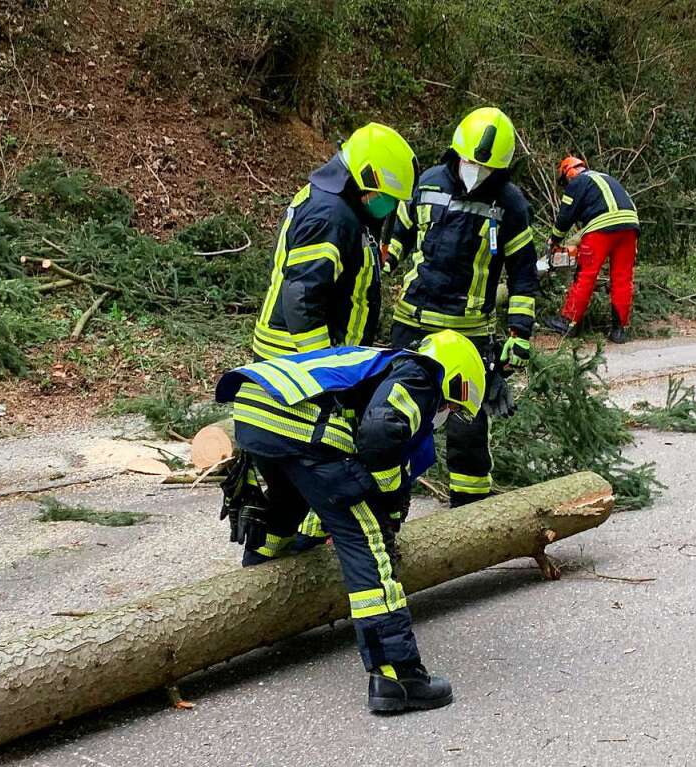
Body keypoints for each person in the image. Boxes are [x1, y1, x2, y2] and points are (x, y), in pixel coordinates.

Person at [215, 330, 486, 712]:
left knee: (286, 509)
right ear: (457, 380)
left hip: (256, 407)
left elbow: (363, 452)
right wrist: (381, 503)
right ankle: (398, 677)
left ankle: (263, 600)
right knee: (366, 542)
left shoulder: (379, 365)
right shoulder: (422, 374)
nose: (445, 415)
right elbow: (379, 435)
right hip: (301, 421)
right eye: (453, 407)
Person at [386, 107, 538, 507]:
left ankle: (471, 514)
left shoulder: (511, 205)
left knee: (468, 424)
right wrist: (382, 260)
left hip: (469, 331)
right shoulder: (427, 184)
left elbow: (523, 275)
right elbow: (398, 237)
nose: (476, 172)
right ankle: (385, 503)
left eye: (486, 167)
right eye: (472, 162)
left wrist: (520, 334)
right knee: (394, 415)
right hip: (412, 322)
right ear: (457, 152)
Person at [251, 122, 417, 361]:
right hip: (293, 362)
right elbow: (303, 297)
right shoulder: (330, 217)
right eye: (389, 196)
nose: (391, 205)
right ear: (367, 177)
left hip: (309, 357)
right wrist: (323, 366)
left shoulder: (345, 207)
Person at [541, 156, 640, 343]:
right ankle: (620, 329)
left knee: (585, 275)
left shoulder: (577, 182)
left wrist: (554, 240)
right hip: (630, 226)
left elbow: (565, 217)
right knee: (622, 278)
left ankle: (568, 322)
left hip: (601, 229)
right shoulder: (605, 178)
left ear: (568, 173)